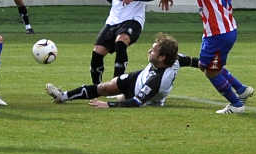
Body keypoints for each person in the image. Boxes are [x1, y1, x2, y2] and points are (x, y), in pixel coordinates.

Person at [159, 0, 254, 114]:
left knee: (211, 72)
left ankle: (236, 105)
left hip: (218, 32)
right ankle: (241, 90)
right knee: (206, 64)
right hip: (227, 28)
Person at [46, 34, 199, 108]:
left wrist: (108, 105)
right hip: (139, 76)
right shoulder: (175, 58)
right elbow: (195, 62)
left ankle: (116, 97)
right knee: (105, 87)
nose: (149, 50)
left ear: (162, 58)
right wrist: (213, 66)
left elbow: (136, 102)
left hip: (138, 92)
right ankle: (62, 96)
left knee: (120, 98)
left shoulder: (157, 82)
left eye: (153, 50)